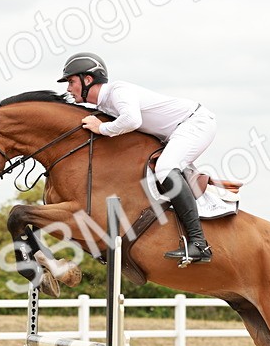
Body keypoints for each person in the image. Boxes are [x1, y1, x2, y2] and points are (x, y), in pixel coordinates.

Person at [57, 52, 216, 265]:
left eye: (71, 81)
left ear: (88, 80)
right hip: (175, 131)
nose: (68, 88)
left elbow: (132, 120)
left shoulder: (117, 91)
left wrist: (102, 128)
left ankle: (199, 244)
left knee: (165, 168)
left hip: (195, 123)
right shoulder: (103, 105)